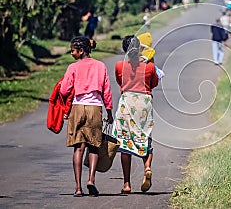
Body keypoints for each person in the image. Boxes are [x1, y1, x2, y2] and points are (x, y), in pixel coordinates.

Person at [60, 36, 113, 197]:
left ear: (81, 50)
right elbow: (107, 91)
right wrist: (109, 111)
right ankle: (91, 180)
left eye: (73, 51)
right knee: (94, 146)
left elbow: (64, 90)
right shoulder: (100, 66)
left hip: (77, 108)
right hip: (95, 108)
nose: (71, 54)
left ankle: (78, 188)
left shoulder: (73, 67)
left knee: (78, 147)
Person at [114, 35, 159, 194]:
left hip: (127, 103)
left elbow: (120, 82)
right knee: (144, 138)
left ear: (124, 49)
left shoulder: (120, 66)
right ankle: (147, 167)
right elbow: (153, 84)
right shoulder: (150, 67)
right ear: (139, 48)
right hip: (144, 104)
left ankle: (127, 184)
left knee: (125, 144)